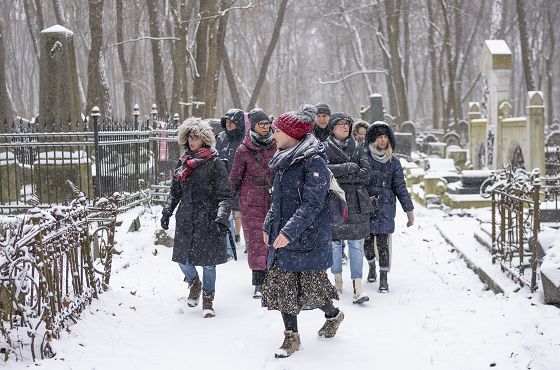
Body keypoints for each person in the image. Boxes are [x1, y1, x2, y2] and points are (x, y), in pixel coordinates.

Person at [261, 105, 343, 359]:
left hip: (308, 236)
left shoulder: (313, 160)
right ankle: (291, 337)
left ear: (292, 134)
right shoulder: (283, 159)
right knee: (283, 286)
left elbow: (313, 204)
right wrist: (268, 225)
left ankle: (333, 315)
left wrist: (289, 231)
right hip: (284, 235)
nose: (273, 134)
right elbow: (277, 200)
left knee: (313, 288)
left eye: (277, 130)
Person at [161, 118, 233, 318]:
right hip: (185, 217)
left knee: (208, 263)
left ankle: (208, 299)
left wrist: (221, 218)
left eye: (196, 137)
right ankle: (194, 282)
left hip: (208, 219)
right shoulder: (183, 162)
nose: (192, 141)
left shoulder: (215, 163)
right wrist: (167, 212)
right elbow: (175, 192)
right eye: (190, 137)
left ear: (204, 139)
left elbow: (226, 195)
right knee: (182, 259)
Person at [325, 113, 374, 304]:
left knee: (356, 244)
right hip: (335, 200)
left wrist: (344, 174)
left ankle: (357, 285)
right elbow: (326, 171)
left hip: (357, 202)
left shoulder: (358, 147)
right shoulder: (324, 148)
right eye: (341, 124)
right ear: (333, 128)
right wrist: (349, 167)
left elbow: (366, 173)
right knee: (335, 244)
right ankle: (337, 281)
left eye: (347, 124)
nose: (345, 127)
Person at [229, 108, 276, 299]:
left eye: (267, 124)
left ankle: (273, 277)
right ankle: (258, 281)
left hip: (274, 199)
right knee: (256, 241)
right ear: (254, 127)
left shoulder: (277, 145)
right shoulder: (244, 149)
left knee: (274, 240)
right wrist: (225, 198)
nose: (265, 127)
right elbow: (235, 177)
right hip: (251, 202)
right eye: (261, 124)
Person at [364, 121, 414, 293]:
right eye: (379, 137)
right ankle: (371, 266)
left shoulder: (394, 162)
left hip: (386, 206)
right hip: (367, 205)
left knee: (383, 243)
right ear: (373, 139)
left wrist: (409, 210)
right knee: (368, 241)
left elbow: (400, 186)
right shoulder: (364, 157)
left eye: (385, 137)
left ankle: (384, 278)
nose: (383, 140)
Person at [216, 108, 245, 257]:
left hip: (241, 181)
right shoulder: (221, 137)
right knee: (225, 214)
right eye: (227, 122)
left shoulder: (245, 139)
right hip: (222, 180)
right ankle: (227, 248)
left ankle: (240, 239)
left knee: (241, 214)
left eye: (232, 122)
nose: (229, 125)